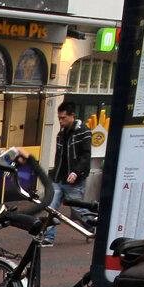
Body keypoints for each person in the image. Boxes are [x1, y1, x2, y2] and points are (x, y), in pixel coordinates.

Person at [44, 101, 93, 246]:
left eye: (63, 118)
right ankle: (48, 237)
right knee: (51, 207)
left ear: (72, 116)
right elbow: (59, 156)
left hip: (74, 180)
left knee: (78, 211)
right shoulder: (61, 134)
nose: (61, 121)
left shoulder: (83, 131)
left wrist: (76, 172)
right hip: (59, 178)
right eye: (59, 118)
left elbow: (86, 155)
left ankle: (92, 228)